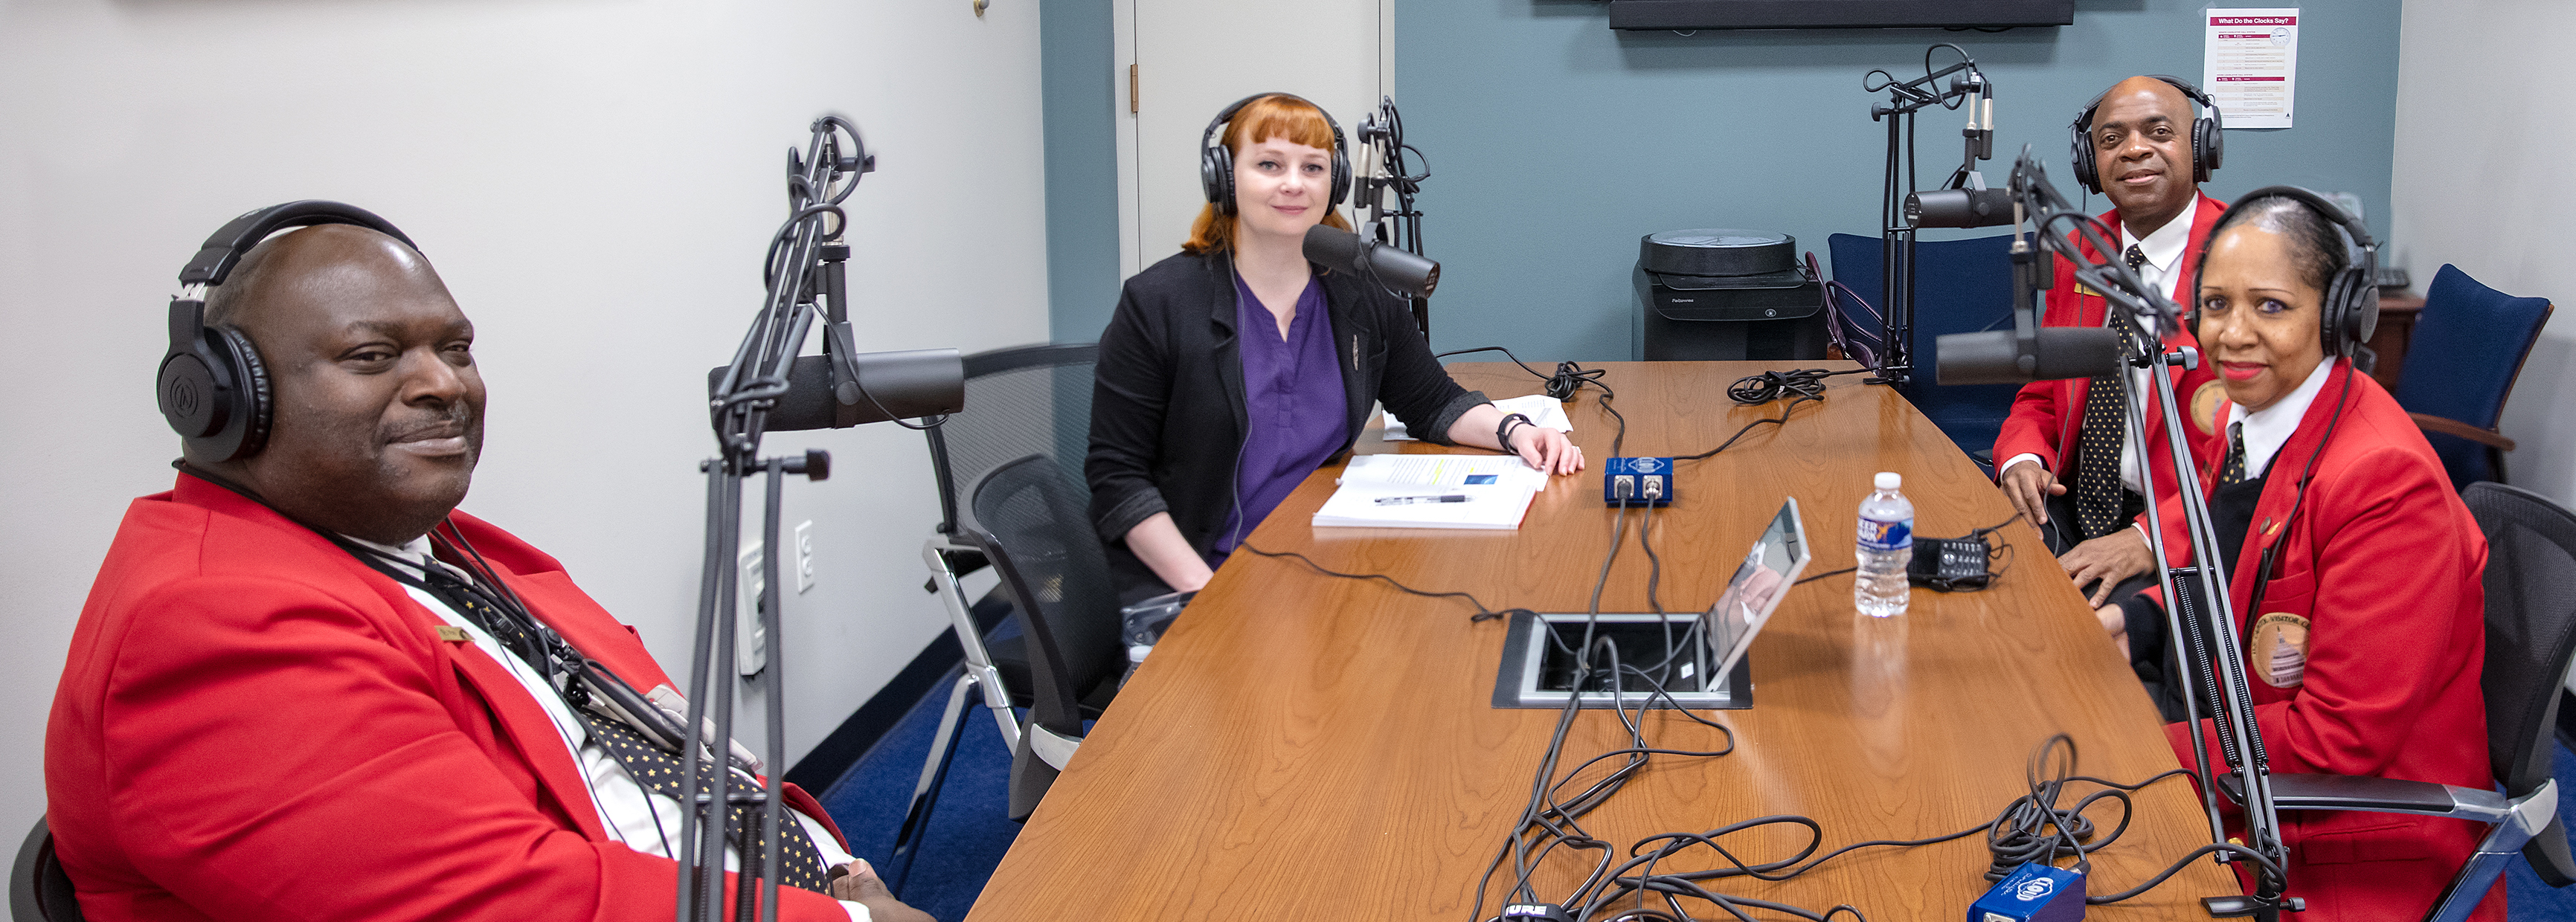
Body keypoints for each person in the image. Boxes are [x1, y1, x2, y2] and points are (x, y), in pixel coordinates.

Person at [44, 218, 934, 922]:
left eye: (457, 349)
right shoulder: (210, 625)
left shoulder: (427, 544)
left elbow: (646, 734)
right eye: (373, 355)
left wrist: (822, 864)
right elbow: (503, 902)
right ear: (225, 401)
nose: (445, 385)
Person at [2100, 191, 2496, 921]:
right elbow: (2230, 575)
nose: (2232, 333)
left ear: (2340, 315)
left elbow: (2335, 740)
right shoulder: (2260, 416)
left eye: (2271, 307)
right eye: (2215, 303)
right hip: (2253, 768)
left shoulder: (2385, 483)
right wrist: (2141, 622)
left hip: (2350, 844)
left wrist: (2138, 753)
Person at [1088, 93, 1581, 601]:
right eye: (1268, 164)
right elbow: (1116, 479)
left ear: (1335, 182)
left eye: (1313, 167)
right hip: (1194, 582)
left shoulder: (1356, 294)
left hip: (1317, 564)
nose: (1293, 183)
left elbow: (1431, 401)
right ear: (1223, 177)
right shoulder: (1159, 303)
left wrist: (1515, 432)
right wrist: (1203, 593)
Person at [1992, 75, 2230, 684]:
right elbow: (2041, 389)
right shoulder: (2080, 248)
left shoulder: (2245, 259)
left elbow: (2261, 459)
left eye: (2157, 133)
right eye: (2111, 139)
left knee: (2076, 659)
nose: (2132, 150)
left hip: (2188, 526)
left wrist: (2150, 539)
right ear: (2089, 161)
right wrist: (2022, 455)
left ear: (2201, 149)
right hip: (2075, 505)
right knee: (1981, 604)